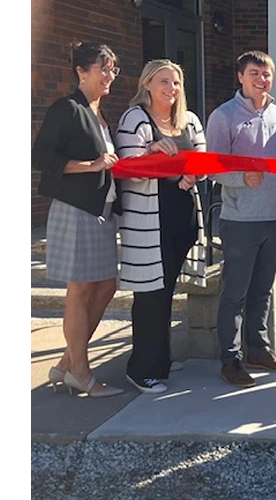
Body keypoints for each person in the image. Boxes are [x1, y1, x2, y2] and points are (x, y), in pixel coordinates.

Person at [32, 41, 124, 398]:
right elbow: (40, 157)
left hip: (102, 210)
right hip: (75, 209)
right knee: (81, 288)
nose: (109, 75)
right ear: (81, 72)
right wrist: (91, 166)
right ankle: (82, 375)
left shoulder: (99, 112)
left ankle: (67, 364)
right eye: (103, 68)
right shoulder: (67, 108)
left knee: (106, 286)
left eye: (113, 69)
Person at [206, 50, 276, 389]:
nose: (262, 79)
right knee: (235, 292)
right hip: (241, 220)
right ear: (241, 77)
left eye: (267, 74)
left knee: (263, 290)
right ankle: (230, 360)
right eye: (255, 73)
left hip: (274, 218)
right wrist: (240, 178)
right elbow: (211, 168)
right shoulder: (223, 116)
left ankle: (257, 351)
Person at [115, 59, 208, 394]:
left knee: (166, 290)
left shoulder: (190, 120)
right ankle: (141, 369)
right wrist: (155, 151)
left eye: (176, 83)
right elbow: (129, 168)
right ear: (147, 84)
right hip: (149, 221)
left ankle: (161, 358)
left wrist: (192, 174)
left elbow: (203, 159)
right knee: (149, 294)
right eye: (164, 82)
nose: (171, 89)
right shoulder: (135, 118)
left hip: (181, 216)